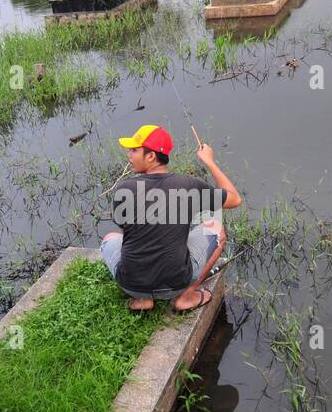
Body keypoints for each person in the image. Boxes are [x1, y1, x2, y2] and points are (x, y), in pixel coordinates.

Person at [101, 124, 243, 312]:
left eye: (134, 150)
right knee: (216, 227)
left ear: (151, 156)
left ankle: (142, 299)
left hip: (130, 283)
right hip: (175, 285)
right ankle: (186, 296)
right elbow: (234, 199)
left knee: (110, 238)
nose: (129, 154)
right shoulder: (188, 185)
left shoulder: (124, 189)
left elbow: (127, 234)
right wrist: (209, 161)